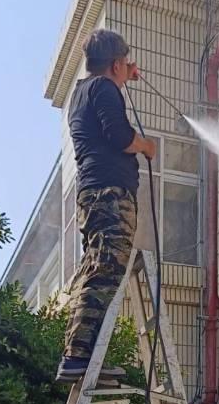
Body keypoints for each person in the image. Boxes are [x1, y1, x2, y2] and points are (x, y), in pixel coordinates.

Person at [56, 29, 157, 382]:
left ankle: (79, 354)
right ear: (115, 63)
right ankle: (79, 358)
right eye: (125, 63)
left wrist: (124, 75)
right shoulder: (104, 89)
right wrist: (146, 146)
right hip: (110, 193)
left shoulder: (83, 93)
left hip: (93, 194)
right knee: (107, 268)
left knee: (96, 267)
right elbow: (119, 136)